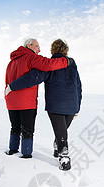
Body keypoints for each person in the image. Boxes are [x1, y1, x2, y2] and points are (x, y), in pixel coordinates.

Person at [6, 39, 82, 171]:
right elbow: (79, 87)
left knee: (61, 130)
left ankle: (57, 145)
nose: (39, 49)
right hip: (66, 105)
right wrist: (78, 106)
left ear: (53, 50)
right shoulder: (63, 64)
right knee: (62, 131)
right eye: (37, 46)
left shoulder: (57, 65)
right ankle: (64, 156)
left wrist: (12, 86)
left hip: (60, 105)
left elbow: (32, 78)